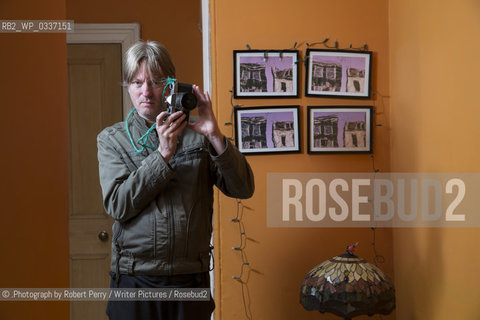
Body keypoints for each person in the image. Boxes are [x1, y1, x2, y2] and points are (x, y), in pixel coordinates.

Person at [97, 40, 255, 320]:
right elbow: (118, 206)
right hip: (134, 279)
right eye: (136, 82)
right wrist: (163, 154)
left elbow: (243, 188)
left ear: (170, 84)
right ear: (128, 86)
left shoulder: (200, 137)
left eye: (155, 82)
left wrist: (216, 136)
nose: (146, 92)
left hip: (189, 279)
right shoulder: (112, 140)